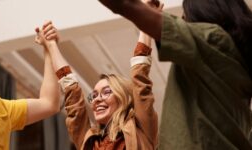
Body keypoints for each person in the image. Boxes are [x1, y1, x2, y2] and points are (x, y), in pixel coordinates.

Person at [98, 0, 252, 149]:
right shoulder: (238, 63)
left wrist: (144, 10)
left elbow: (125, 4)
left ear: (203, 16)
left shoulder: (211, 39)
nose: (182, 21)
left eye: (185, 17)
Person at [35, 8, 161, 148]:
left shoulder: (141, 129)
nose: (97, 99)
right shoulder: (88, 140)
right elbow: (73, 96)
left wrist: (146, 16)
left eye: (106, 92)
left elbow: (140, 79)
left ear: (124, 97)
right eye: (94, 95)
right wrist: (51, 45)